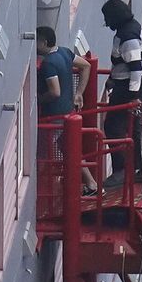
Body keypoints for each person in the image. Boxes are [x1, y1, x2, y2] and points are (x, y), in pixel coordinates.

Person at [36, 25, 98, 194]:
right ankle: (91, 184)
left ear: (44, 42)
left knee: (43, 154)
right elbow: (86, 65)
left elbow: (55, 92)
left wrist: (37, 100)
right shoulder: (64, 52)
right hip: (69, 112)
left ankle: (43, 190)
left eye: (36, 41)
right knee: (70, 149)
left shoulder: (48, 64)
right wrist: (78, 93)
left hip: (54, 117)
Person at [101, 0, 142, 188]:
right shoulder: (132, 27)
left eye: (107, 18)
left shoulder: (127, 36)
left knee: (113, 126)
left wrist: (133, 96)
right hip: (133, 84)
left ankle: (122, 171)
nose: (106, 22)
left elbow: (135, 68)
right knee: (135, 127)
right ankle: (139, 169)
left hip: (130, 87)